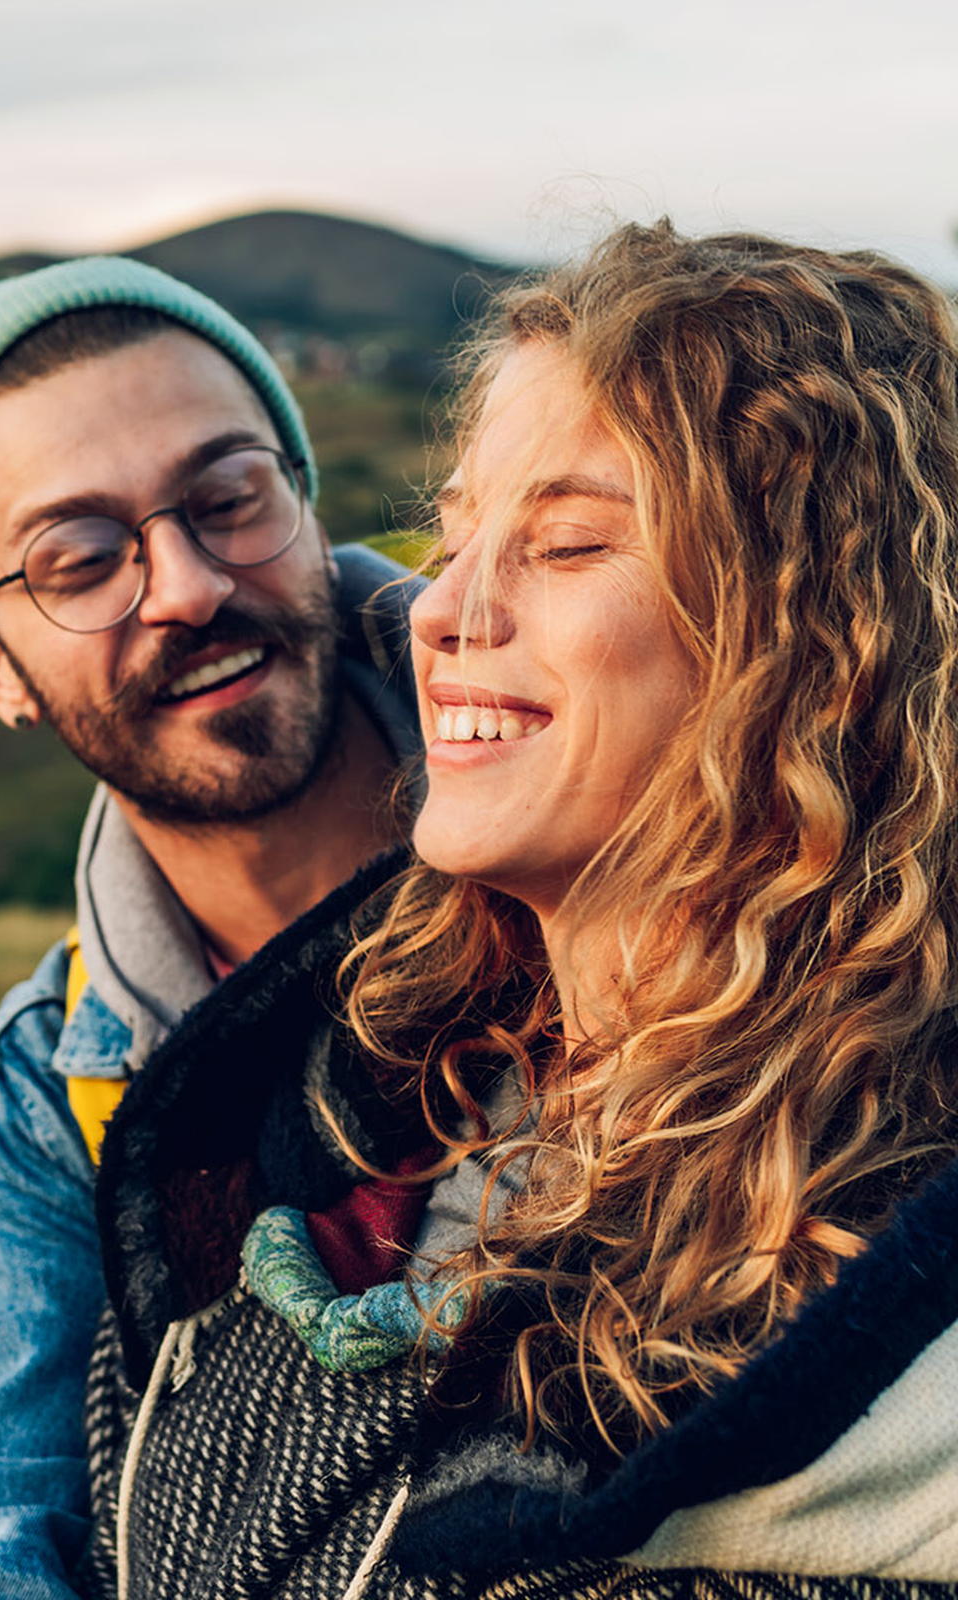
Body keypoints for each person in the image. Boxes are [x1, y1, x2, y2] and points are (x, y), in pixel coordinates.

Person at [76, 222, 958, 1598]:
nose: (440, 606)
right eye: (456, 526)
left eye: (562, 543)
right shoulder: (348, 1100)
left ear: (804, 647)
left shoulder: (904, 1333)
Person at [0, 258, 423, 1598]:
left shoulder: (618, 851)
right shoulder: (54, 1083)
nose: (187, 587)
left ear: (304, 498)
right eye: (81, 559)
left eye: (226, 501)